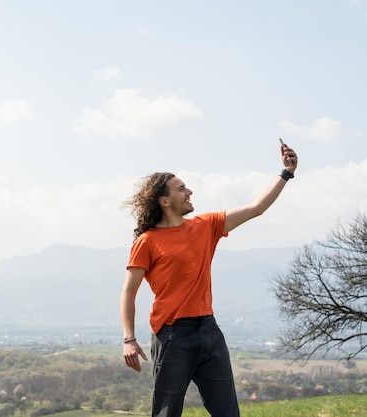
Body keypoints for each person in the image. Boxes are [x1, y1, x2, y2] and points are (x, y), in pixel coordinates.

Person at [120, 143, 298, 417]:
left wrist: (286, 173)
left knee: (228, 413)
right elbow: (128, 292)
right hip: (172, 335)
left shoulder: (205, 226)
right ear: (164, 201)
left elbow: (256, 207)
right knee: (166, 413)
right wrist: (129, 339)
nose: (189, 191)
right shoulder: (148, 242)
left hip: (208, 331)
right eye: (181, 189)